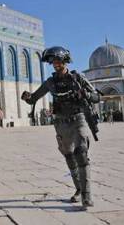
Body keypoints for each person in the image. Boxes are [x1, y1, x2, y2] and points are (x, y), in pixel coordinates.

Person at [21, 46, 100, 209]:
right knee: (69, 156)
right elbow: (34, 98)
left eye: (58, 62)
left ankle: (87, 195)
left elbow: (97, 96)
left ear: (65, 62)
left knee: (81, 154)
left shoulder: (78, 78)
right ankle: (79, 189)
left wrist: (85, 95)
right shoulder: (50, 82)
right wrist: (27, 97)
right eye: (53, 63)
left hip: (78, 119)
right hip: (61, 123)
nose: (56, 65)